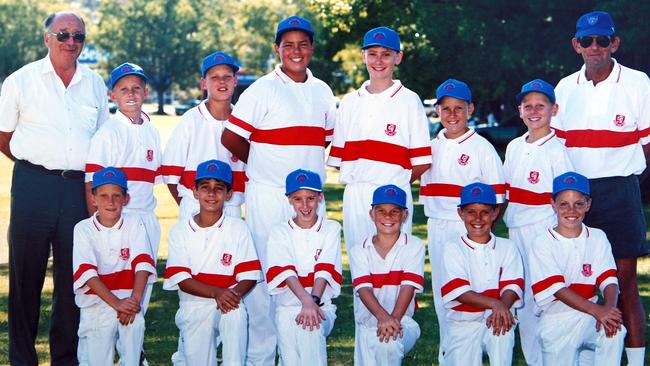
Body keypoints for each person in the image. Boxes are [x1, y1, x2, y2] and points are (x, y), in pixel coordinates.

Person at [221, 15, 337, 365]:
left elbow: (323, 142)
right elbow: (230, 137)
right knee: (265, 276)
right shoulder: (262, 89)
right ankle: (261, 355)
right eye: (288, 45)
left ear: (312, 48)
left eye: (303, 44)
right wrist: (259, 165)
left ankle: (304, 344)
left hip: (309, 200)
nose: (296, 51)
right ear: (277, 49)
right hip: (269, 195)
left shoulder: (323, 91)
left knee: (310, 268)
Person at [0, 11, 109, 364]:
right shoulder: (21, 80)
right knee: (25, 278)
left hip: (77, 190)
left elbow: (103, 139)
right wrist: (35, 165)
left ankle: (65, 358)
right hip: (33, 185)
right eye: (63, 34)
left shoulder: (94, 83)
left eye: (78, 36)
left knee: (71, 279)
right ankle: (21, 359)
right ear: (46, 38)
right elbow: (3, 137)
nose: (71, 42)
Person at [551, 11, 649, 364]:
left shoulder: (639, 84)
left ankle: (635, 361)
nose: (595, 47)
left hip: (622, 191)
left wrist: (633, 189)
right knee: (580, 280)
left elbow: (649, 148)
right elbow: (557, 149)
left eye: (603, 40)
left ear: (615, 43)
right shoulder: (564, 88)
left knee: (623, 284)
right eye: (587, 41)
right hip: (576, 197)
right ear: (576, 45)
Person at [418, 78, 505, 364]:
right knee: (447, 294)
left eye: (459, 108)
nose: (452, 114)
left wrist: (483, 233)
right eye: (446, 109)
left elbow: (498, 200)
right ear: (438, 111)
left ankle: (482, 350)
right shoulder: (429, 147)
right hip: (438, 225)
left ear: (470, 109)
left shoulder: (482, 148)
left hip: (470, 230)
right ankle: (450, 354)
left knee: (477, 290)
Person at [327, 26, 431, 250]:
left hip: (394, 193)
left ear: (398, 57)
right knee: (360, 260)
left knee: (396, 265)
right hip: (357, 193)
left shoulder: (410, 101)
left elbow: (422, 161)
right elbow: (338, 160)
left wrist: (395, 180)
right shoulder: (349, 102)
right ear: (363, 56)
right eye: (372, 54)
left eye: (386, 54)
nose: (379, 60)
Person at [163, 159, 262, 365]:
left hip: (229, 301)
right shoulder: (181, 230)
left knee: (236, 315)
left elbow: (249, 276)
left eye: (219, 188)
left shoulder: (238, 228)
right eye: (205, 187)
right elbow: (181, 279)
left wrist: (231, 296)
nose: (211, 193)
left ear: (229, 194)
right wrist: (217, 293)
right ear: (195, 192)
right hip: (194, 305)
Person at [502, 79, 573, 365]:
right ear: (519, 110)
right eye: (527, 106)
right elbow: (506, 193)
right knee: (525, 299)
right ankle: (534, 359)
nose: (533, 112)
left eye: (540, 106)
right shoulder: (514, 146)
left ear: (553, 109)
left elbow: (567, 201)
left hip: (544, 230)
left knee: (547, 296)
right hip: (516, 228)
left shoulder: (558, 149)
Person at [85, 62, 161, 308]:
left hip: (146, 219)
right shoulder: (108, 133)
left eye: (136, 88)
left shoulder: (152, 132)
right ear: (112, 95)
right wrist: (99, 230)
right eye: (124, 89)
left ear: (145, 93)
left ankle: (134, 346)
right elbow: (91, 187)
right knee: (116, 288)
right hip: (118, 221)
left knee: (142, 288)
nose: (131, 94)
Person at [529, 171, 626, 365]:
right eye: (563, 204)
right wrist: (599, 311)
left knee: (615, 331)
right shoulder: (542, 242)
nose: (571, 210)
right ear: (553, 204)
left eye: (578, 204)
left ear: (588, 204)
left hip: (589, 317)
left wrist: (608, 310)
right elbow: (557, 289)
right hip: (556, 320)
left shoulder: (597, 236)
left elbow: (609, 280)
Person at [72, 167, 156, 365]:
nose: (110, 202)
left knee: (134, 331)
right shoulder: (83, 228)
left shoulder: (135, 223)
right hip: (97, 305)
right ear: (93, 198)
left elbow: (142, 264)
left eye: (117, 196)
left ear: (126, 199)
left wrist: (134, 301)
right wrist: (116, 304)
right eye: (103, 196)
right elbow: (88, 274)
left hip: (129, 301)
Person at [440, 182, 523, 365]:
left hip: (496, 318)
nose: (478, 218)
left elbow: (513, 286)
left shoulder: (507, 247)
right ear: (461, 213)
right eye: (471, 212)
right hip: (463, 324)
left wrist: (501, 308)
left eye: (485, 212)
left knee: (503, 333)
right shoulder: (453, 247)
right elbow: (460, 291)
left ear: (495, 213)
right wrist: (496, 304)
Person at [266, 169, 342, 366]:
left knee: (310, 329)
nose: (305, 205)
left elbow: (324, 271)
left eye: (311, 198)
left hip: (321, 308)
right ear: (289, 199)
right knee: (290, 360)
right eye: (298, 199)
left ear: (320, 197)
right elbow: (286, 273)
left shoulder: (331, 228)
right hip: (287, 309)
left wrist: (312, 303)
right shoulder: (279, 232)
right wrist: (305, 301)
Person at [162, 51, 246, 219]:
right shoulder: (190, 120)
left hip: (232, 209)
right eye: (214, 77)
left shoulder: (244, 120)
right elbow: (170, 176)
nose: (222, 81)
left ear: (235, 81)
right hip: (194, 207)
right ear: (203, 84)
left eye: (227, 76)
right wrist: (194, 207)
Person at [348, 185, 424, 366]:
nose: (388, 217)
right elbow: (364, 290)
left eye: (394, 212)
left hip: (403, 323)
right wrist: (383, 318)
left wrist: (393, 321)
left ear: (405, 216)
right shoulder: (359, 250)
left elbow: (408, 287)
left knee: (388, 344)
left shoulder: (414, 246)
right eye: (381, 211)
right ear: (371, 214)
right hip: (367, 327)